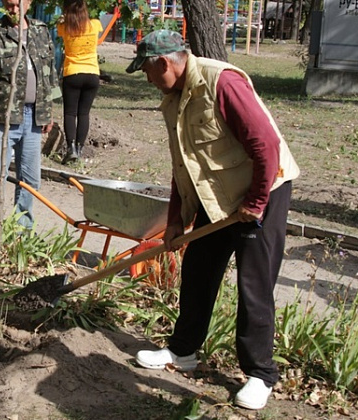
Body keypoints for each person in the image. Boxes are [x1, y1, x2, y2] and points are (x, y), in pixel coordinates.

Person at [126, 30, 299, 410]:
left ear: (165, 63)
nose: (148, 80)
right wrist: (176, 219)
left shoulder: (222, 82)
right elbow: (184, 165)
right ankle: (183, 351)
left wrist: (255, 201)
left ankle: (259, 375)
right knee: (199, 270)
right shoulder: (174, 99)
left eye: (148, 71)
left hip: (263, 190)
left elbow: (266, 145)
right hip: (217, 195)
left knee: (253, 285)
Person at [0, 0, 61, 230]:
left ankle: (23, 228)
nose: (13, 10)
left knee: (30, 178)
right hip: (4, 116)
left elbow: (49, 73)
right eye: (8, 5)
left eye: (17, 4)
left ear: (29, 2)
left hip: (34, 116)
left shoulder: (41, 31)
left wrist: (48, 111)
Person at [57, 0, 103, 163]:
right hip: (92, 73)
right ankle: (80, 148)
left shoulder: (64, 27)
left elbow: (60, 26)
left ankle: (71, 149)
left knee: (70, 113)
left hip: (72, 73)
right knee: (84, 113)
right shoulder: (95, 24)